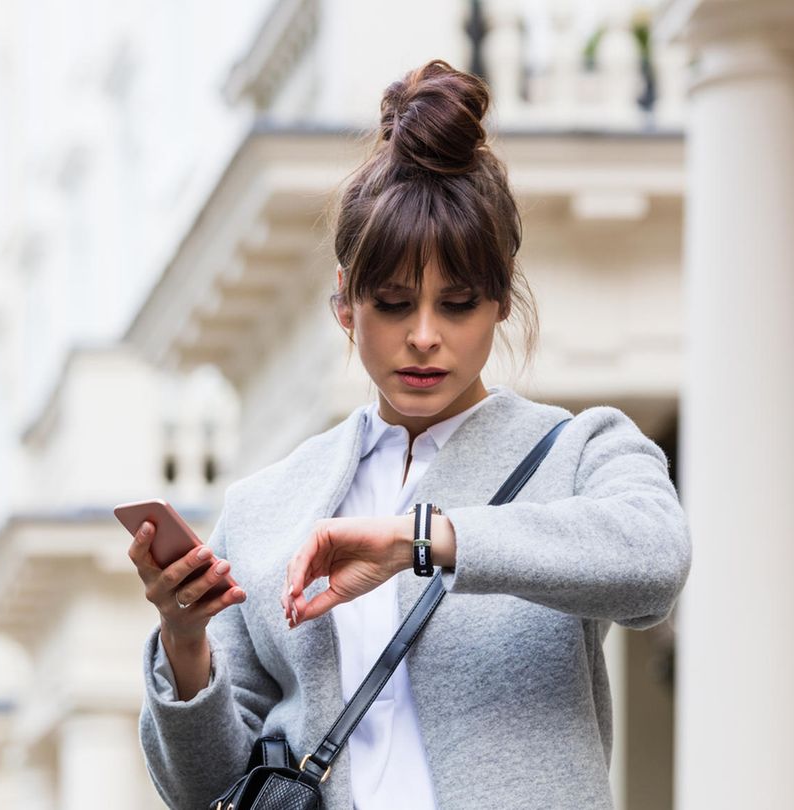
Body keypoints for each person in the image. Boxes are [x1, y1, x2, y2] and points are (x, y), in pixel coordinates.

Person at [125, 58, 691, 810]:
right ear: (345, 307)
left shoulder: (579, 451)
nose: (424, 337)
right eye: (393, 303)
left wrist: (422, 541)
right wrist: (184, 640)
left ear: (499, 305)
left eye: (456, 304)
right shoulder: (266, 507)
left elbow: (656, 560)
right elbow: (207, 788)